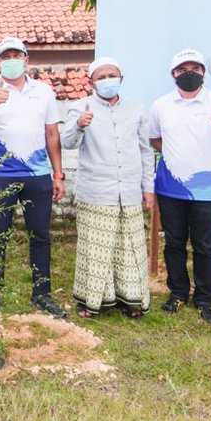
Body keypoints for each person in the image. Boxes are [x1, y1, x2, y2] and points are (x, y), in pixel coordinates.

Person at [0, 37, 67, 318]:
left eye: (16, 55)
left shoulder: (44, 91)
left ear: (27, 59)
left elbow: (52, 133)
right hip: (0, 175)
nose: (11, 60)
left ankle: (41, 294)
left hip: (38, 175)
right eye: (5, 56)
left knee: (40, 235)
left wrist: (58, 174)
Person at [149, 48, 211, 325]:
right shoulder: (161, 105)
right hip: (170, 188)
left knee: (204, 245)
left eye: (195, 69)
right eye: (182, 69)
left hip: (208, 190)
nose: (189, 73)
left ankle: (204, 299)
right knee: (174, 243)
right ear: (173, 74)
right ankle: (177, 293)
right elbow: (155, 139)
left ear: (203, 73)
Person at [62, 57, 155, 319]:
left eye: (111, 75)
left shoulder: (136, 109)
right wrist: (80, 124)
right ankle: (91, 302)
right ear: (91, 82)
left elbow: (146, 151)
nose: (107, 80)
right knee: (96, 248)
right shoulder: (80, 107)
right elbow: (67, 142)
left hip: (129, 191)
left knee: (130, 245)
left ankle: (131, 300)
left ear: (121, 79)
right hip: (96, 190)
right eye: (101, 77)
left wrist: (148, 187)